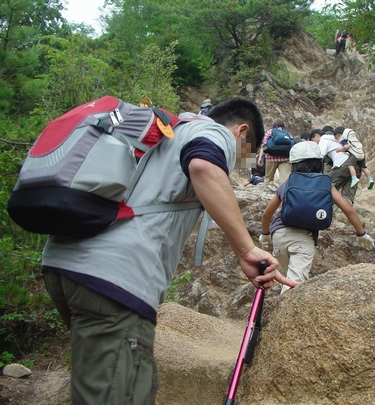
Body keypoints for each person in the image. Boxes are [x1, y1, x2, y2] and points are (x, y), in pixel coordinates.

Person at [40, 98, 295, 405]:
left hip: (63, 266)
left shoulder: (166, 134)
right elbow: (203, 166)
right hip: (115, 280)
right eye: (244, 154)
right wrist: (246, 249)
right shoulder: (213, 133)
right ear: (241, 132)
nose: (238, 164)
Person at [259, 141, 375, 293]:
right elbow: (348, 209)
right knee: (293, 286)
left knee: (289, 278)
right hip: (303, 239)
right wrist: (361, 233)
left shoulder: (289, 182)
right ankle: (287, 312)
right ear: (320, 162)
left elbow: (268, 212)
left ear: (293, 163)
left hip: (279, 236)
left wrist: (265, 234)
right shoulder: (325, 183)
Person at [309, 127, 359, 205]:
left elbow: (320, 157)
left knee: (325, 186)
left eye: (313, 141)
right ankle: (345, 213)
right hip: (355, 166)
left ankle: (322, 209)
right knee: (347, 197)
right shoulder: (335, 139)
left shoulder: (323, 139)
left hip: (343, 165)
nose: (314, 143)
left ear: (316, 135)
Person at [258, 121, 292, 185]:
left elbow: (263, 145)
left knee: (268, 179)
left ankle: (267, 192)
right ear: (283, 127)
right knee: (285, 180)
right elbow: (291, 145)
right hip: (285, 159)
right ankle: (282, 193)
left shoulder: (270, 132)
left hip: (271, 158)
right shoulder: (287, 133)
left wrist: (260, 157)